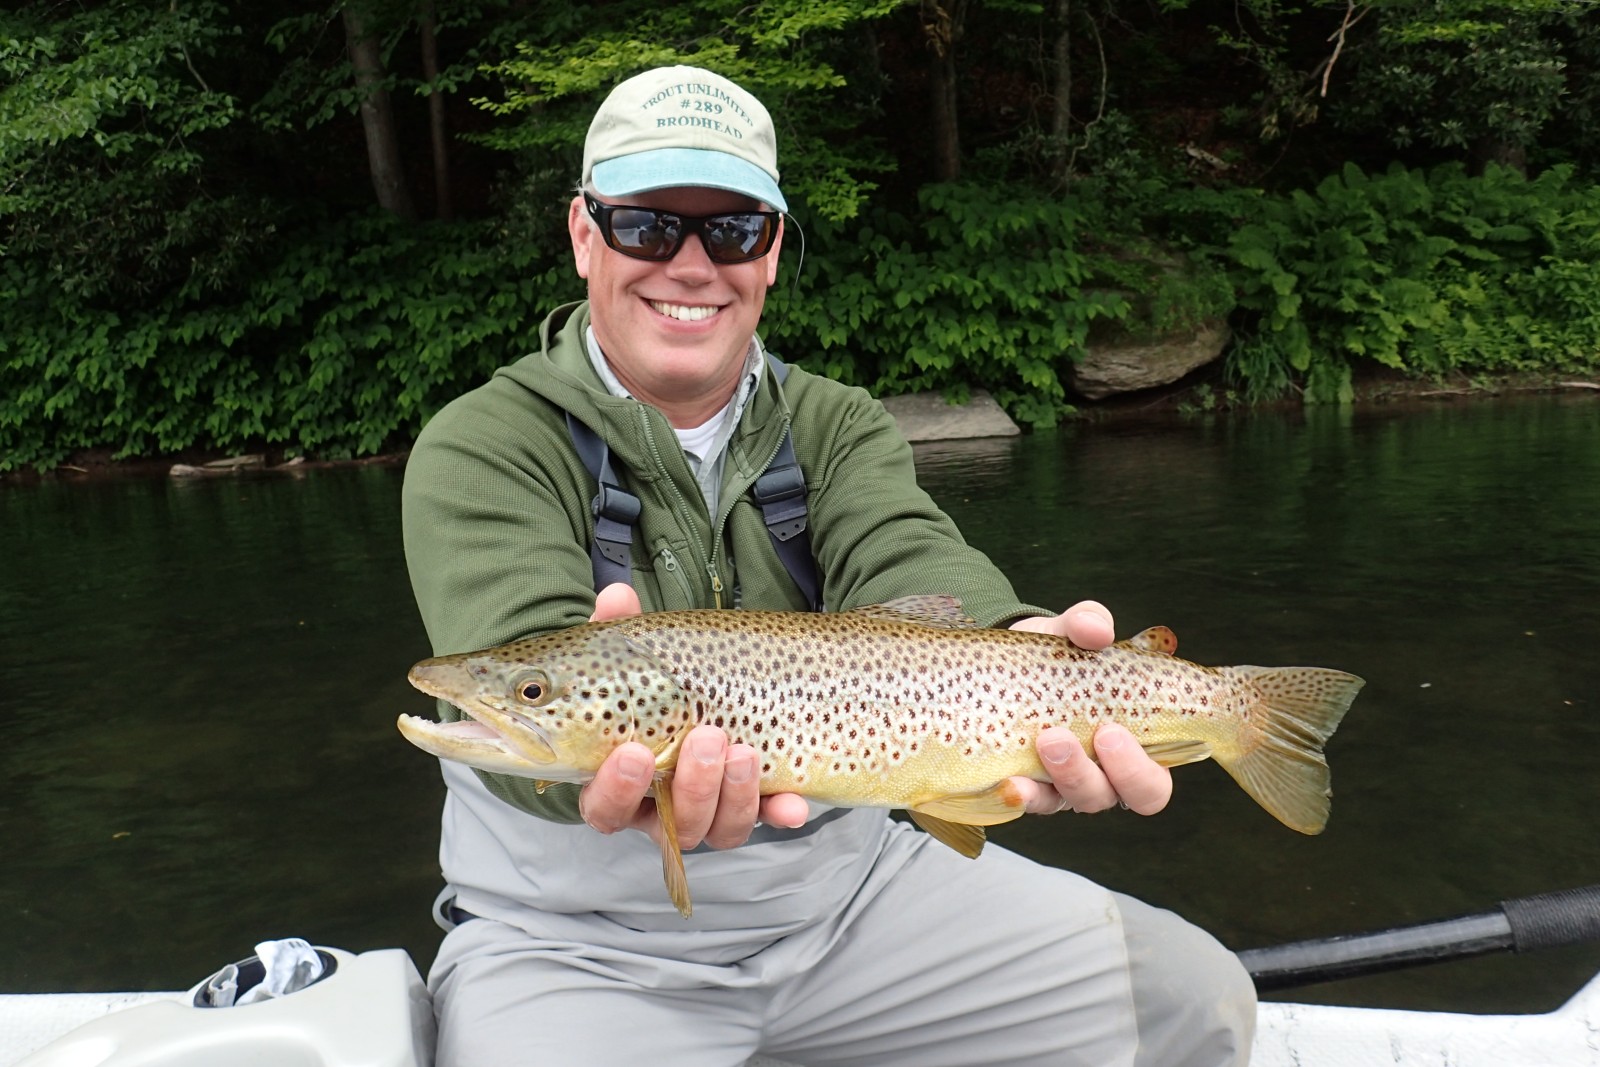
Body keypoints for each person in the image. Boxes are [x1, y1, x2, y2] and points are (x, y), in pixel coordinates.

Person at [401, 64, 1255, 1067]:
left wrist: (1019, 637)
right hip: (582, 944)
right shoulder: (482, 443)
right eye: (645, 225)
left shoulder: (836, 422)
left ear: (770, 254)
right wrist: (589, 735)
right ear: (584, 234)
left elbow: (910, 552)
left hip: (855, 900)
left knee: (1193, 999)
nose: (688, 263)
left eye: (730, 230)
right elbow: (540, 719)